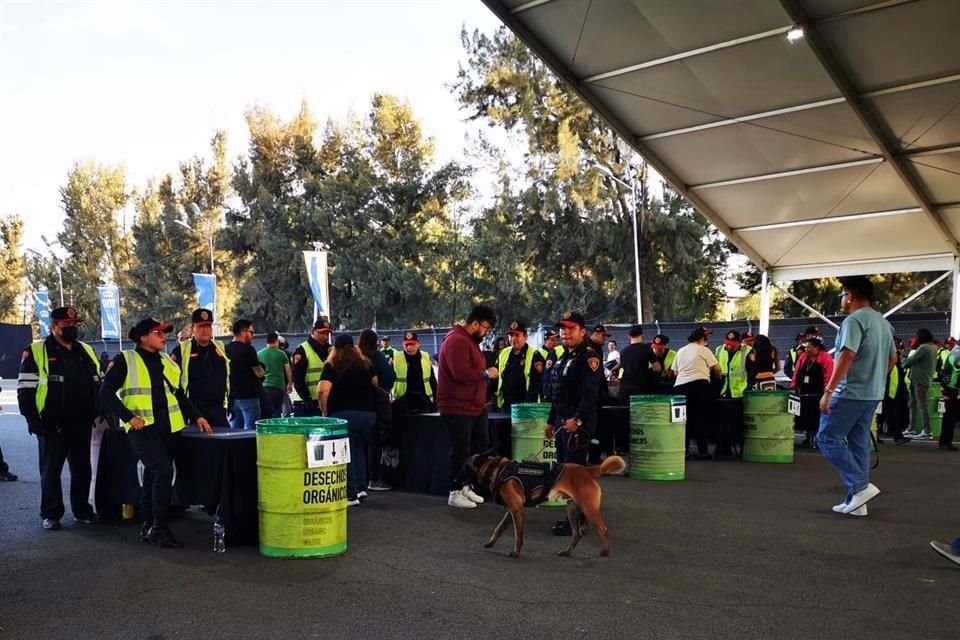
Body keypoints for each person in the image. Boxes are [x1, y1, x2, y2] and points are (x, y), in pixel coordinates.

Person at [100, 318, 212, 548]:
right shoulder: (126, 360)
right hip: (142, 428)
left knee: (154, 475)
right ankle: (159, 528)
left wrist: (197, 415)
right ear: (142, 337)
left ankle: (149, 525)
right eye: (157, 333)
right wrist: (129, 417)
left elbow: (179, 394)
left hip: (169, 426)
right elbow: (105, 393)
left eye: (164, 333)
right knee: (161, 471)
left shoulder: (166, 362)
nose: (163, 337)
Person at [17, 306, 102, 530]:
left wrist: (98, 410)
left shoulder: (85, 350)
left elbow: (97, 381)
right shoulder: (37, 350)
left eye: (75, 324)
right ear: (54, 327)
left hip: (82, 422)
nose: (72, 328)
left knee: (82, 469)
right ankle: (51, 514)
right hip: (51, 424)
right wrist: (31, 419)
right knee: (51, 471)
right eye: (67, 325)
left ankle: (82, 510)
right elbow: (25, 389)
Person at [818, 275, 895, 517]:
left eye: (843, 294)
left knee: (827, 438)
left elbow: (846, 356)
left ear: (850, 296)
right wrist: (875, 378)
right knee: (858, 444)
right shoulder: (883, 323)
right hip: (872, 393)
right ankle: (857, 502)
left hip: (850, 392)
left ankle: (860, 488)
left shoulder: (854, 321)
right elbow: (893, 359)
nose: (842, 299)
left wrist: (829, 391)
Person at [544, 311, 604, 535]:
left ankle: (579, 521)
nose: (565, 332)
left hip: (578, 424)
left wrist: (577, 420)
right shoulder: (563, 356)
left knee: (575, 475)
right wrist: (551, 421)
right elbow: (558, 394)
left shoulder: (589, 357)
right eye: (562, 328)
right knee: (564, 472)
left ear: (582, 332)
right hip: (562, 422)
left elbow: (590, 395)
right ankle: (573, 516)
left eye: (570, 328)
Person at [437, 304, 498, 509]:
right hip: (456, 406)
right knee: (460, 448)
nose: (486, 332)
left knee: (481, 445)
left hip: (474, 406)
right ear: (475, 323)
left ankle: (465, 484)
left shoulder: (470, 342)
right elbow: (461, 373)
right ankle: (454, 490)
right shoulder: (456, 341)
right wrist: (485, 374)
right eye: (486, 327)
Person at [318, 334, 379, 506]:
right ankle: (361, 487)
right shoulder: (366, 364)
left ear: (335, 349)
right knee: (359, 449)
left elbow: (323, 391)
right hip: (368, 415)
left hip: (343, 414)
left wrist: (324, 411)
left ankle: (350, 494)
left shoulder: (332, 365)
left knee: (344, 454)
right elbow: (375, 383)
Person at [170, 308, 230, 427]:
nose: (205, 330)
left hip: (218, 408)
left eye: (208, 326)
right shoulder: (182, 349)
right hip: (194, 410)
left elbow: (228, 374)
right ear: (193, 328)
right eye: (201, 326)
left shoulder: (220, 347)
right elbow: (173, 382)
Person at [671, 327, 720, 460]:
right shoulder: (704, 350)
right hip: (700, 386)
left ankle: (683, 450)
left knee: (682, 420)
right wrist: (717, 377)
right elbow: (717, 368)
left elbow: (674, 372)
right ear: (701, 338)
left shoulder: (681, 351)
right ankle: (702, 451)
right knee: (700, 419)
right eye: (706, 337)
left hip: (680, 387)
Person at [358, 328, 396, 492]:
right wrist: (383, 389)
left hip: (354, 404)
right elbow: (390, 375)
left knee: (357, 445)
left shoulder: (354, 356)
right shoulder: (377, 356)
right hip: (374, 404)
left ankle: (359, 480)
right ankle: (373, 479)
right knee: (374, 441)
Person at [714, 330, 756, 457]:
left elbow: (752, 373)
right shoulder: (719, 350)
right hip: (723, 391)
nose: (729, 346)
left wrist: (748, 389)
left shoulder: (748, 351)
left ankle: (738, 447)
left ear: (739, 342)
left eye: (732, 343)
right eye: (727, 343)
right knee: (721, 423)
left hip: (739, 393)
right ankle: (723, 448)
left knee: (736, 423)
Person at [496, 320, 545, 412]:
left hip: (526, 407)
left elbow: (536, 385)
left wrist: (526, 408)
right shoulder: (504, 353)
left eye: (517, 335)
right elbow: (497, 377)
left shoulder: (535, 355)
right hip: (505, 405)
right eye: (511, 336)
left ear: (525, 336)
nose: (513, 339)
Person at [794, 338, 833, 448]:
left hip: (819, 392)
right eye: (806, 347)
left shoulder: (825, 357)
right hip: (805, 391)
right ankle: (808, 436)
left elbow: (828, 374)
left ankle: (817, 437)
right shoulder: (803, 357)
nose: (806, 349)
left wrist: (827, 390)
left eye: (809, 347)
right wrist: (795, 386)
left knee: (817, 416)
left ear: (817, 347)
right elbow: (797, 372)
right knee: (806, 415)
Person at [225, 319, 264, 430]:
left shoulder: (225, 349)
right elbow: (259, 373)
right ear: (243, 332)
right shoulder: (248, 350)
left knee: (234, 432)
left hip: (232, 398)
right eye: (251, 332)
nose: (253, 335)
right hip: (249, 396)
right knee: (251, 431)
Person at [291, 319, 332, 417]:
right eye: (322, 333)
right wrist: (307, 398)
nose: (325, 337)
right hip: (305, 404)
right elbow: (297, 379)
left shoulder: (330, 350)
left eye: (327, 333)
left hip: (323, 402)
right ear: (313, 331)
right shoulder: (302, 350)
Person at [902, 328, 937, 439]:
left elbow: (910, 361)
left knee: (922, 406)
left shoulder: (924, 348)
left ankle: (927, 431)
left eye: (917, 336)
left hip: (919, 380)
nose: (916, 338)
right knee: (913, 404)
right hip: (922, 379)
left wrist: (902, 361)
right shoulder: (933, 347)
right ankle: (911, 428)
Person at [391, 331, 437, 409]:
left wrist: (436, 400)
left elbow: (432, 380)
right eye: (407, 345)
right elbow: (388, 379)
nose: (409, 347)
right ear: (403, 345)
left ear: (418, 344)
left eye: (412, 344)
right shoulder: (396, 358)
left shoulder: (425, 356)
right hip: (402, 402)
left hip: (424, 401)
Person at [617, 325, 659, 403]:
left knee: (625, 412)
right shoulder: (647, 349)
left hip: (625, 387)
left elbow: (621, 369)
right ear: (642, 335)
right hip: (641, 387)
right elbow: (657, 368)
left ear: (629, 336)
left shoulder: (623, 351)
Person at [258, 332, 292, 419]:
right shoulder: (281, 354)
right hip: (278, 387)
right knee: (277, 411)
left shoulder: (259, 354)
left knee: (266, 412)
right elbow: (288, 370)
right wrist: (290, 384)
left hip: (264, 387)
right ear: (276, 341)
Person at [936, 339, 960, 451]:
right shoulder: (957, 354)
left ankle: (945, 441)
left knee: (950, 416)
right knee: (950, 416)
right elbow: (955, 373)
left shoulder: (955, 352)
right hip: (952, 389)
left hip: (950, 387)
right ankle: (945, 442)